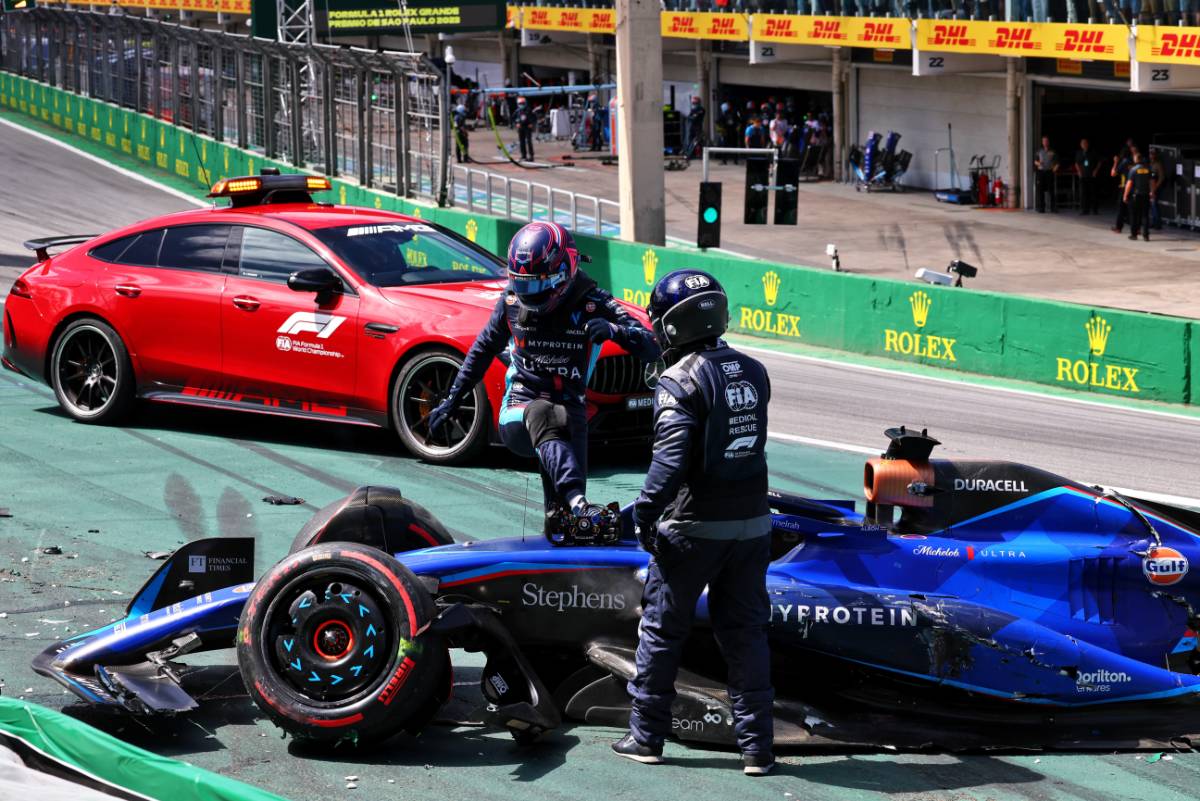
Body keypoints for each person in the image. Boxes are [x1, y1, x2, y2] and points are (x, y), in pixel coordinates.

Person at [613, 269, 774, 775]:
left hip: (693, 527)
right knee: (747, 635)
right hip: (753, 524)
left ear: (672, 326)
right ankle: (758, 750)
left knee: (661, 631)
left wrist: (645, 513)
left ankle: (646, 738)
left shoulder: (678, 380)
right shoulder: (755, 370)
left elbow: (670, 461)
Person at [427, 222, 660, 540]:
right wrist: (452, 399)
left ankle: (570, 524)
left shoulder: (594, 302)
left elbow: (652, 346)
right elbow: (482, 349)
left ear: (565, 272)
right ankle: (580, 504)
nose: (529, 295)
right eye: (522, 284)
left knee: (564, 524)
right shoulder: (511, 300)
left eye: (539, 284)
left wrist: (615, 331)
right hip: (518, 410)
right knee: (543, 412)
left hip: (571, 413)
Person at [1124, 151, 1155, 242]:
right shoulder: (1148, 169)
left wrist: (1125, 195)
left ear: (1136, 159)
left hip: (1135, 196)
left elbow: (1129, 183)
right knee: (1145, 215)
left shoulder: (1133, 170)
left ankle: (1134, 235)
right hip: (1145, 195)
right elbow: (1151, 182)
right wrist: (1152, 192)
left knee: (1134, 215)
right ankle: (1146, 236)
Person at [1111, 144, 1134, 234]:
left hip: (1125, 187)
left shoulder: (1124, 162)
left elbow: (1113, 174)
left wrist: (1115, 162)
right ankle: (1137, 228)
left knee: (1121, 209)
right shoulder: (1134, 161)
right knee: (1132, 209)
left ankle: (1118, 228)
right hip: (1134, 187)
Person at [1033, 135, 1058, 213]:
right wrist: (1039, 163)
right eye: (1044, 141)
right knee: (1040, 190)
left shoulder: (1052, 151)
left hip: (1049, 172)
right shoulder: (1039, 151)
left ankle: (1053, 207)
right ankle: (1041, 208)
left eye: (1046, 141)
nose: (1045, 142)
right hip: (1041, 172)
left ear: (1048, 142)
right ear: (1042, 142)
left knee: (1051, 190)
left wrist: (1055, 168)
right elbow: (1035, 161)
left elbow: (1057, 162)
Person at [1074, 138, 1099, 215]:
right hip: (1083, 175)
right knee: (1083, 193)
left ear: (1088, 144)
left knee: (1093, 192)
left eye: (1085, 143)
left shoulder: (1093, 152)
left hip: (1091, 174)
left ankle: (1094, 209)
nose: (1084, 144)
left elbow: (1099, 162)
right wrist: (1079, 171)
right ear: (1080, 145)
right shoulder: (1079, 153)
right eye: (1082, 143)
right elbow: (1076, 163)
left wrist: (1095, 171)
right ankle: (1084, 210)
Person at [515, 96, 537, 162]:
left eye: (523, 103)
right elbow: (514, 118)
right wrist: (517, 123)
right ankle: (523, 155)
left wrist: (531, 123)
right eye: (520, 103)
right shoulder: (518, 111)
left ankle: (531, 156)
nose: (521, 105)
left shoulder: (529, 110)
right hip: (521, 127)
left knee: (529, 141)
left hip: (527, 127)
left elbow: (534, 118)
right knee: (522, 142)